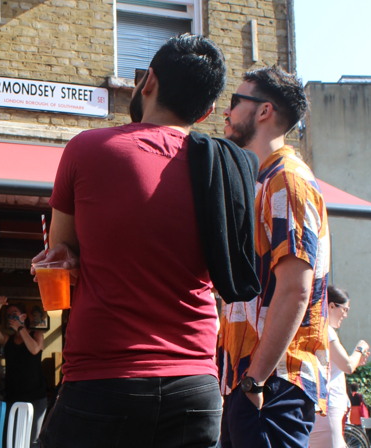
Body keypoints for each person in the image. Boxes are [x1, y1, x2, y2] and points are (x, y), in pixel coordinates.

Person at [35, 34, 257, 448]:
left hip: (103, 379)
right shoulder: (223, 172)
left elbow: (61, 255)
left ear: (148, 81)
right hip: (195, 383)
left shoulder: (88, 149)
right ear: (208, 110)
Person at [218, 65, 331, 448]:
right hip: (253, 381)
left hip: (273, 382)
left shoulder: (287, 179)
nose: (226, 112)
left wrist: (255, 380)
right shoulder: (265, 178)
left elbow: (295, 291)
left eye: (235, 102)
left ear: (264, 111)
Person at [309, 286, 370, 448]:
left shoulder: (320, 329)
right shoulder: (325, 330)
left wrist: (356, 360)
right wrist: (360, 348)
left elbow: (344, 366)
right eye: (345, 309)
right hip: (329, 408)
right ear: (331, 306)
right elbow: (348, 365)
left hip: (327, 407)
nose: (346, 315)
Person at [0, 297, 48, 447]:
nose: (11, 316)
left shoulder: (36, 335)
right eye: (9, 314)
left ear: (23, 316)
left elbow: (34, 349)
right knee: (12, 437)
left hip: (36, 396)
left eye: (15, 313)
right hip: (14, 395)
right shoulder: (8, 339)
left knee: (32, 439)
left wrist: (20, 328)